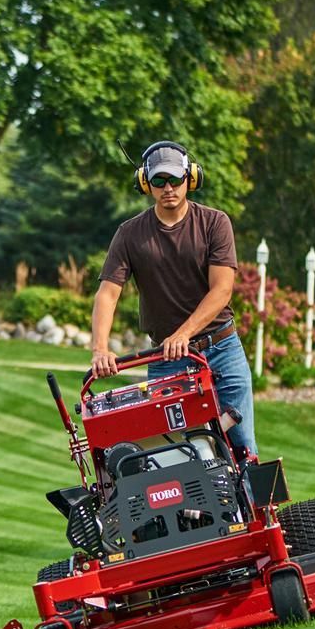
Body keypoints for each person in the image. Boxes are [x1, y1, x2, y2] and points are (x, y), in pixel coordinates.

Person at [89, 140, 256, 456]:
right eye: (159, 181)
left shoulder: (214, 223)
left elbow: (221, 290)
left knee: (242, 445)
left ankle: (251, 505)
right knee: (174, 455)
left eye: (175, 179)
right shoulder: (130, 234)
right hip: (166, 360)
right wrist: (100, 349)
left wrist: (184, 333)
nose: (168, 188)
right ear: (146, 183)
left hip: (221, 349)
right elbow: (108, 293)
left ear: (190, 178)